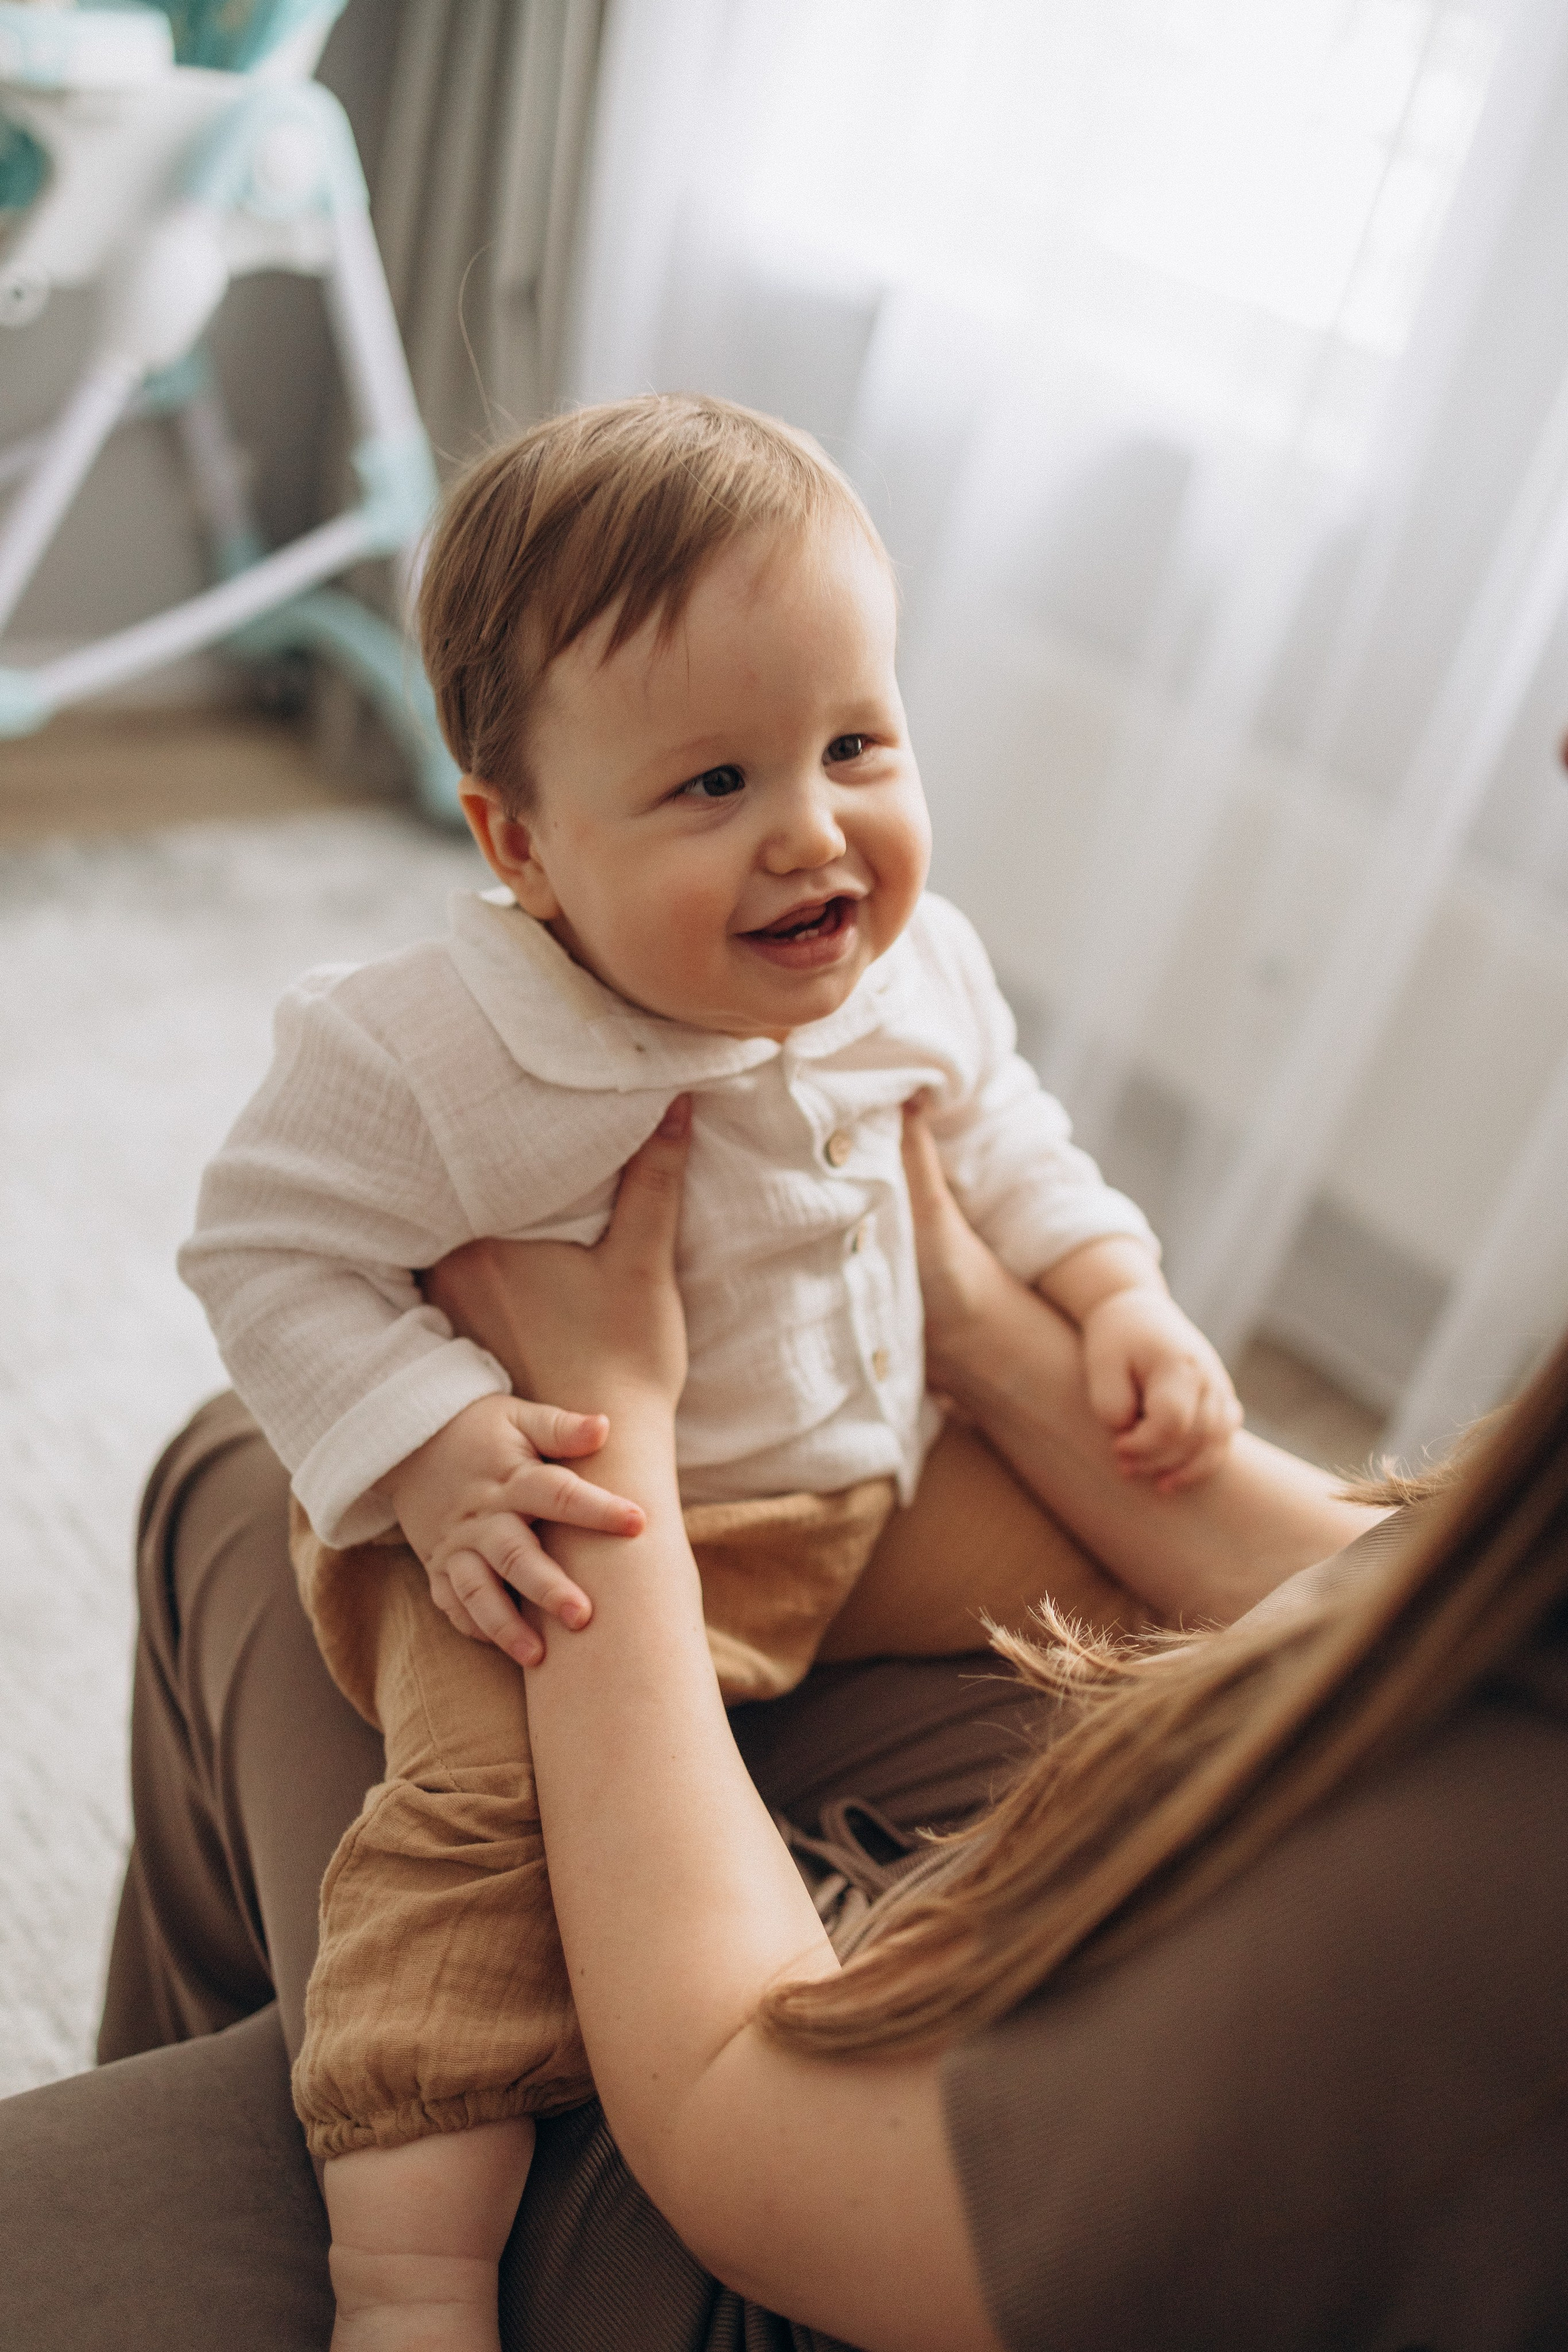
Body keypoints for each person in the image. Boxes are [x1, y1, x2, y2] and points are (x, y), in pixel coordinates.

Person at [175, 393, 1264, 2338]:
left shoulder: (918, 969)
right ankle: (406, 2274)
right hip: (572, 1521)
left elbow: (1006, 1133)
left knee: (1149, 1594)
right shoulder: (423, 1055)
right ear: (521, 846)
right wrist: (432, 1452)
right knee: (468, 1859)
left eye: (857, 744)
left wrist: (1117, 1295)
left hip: (871, 1489)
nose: (815, 831)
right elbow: (262, 1250)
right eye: (711, 788)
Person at [0, 1114, 1561, 2350]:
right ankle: (315, 2070)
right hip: (1126, 1831)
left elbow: (759, 2142)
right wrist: (991, 1332)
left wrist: (608, 1426)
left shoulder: (1490, 1878)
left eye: (856, 747)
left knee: (326, 1515)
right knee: (314, 1480)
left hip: (810, 2215)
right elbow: (1405, 1594)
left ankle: (394, 2260)